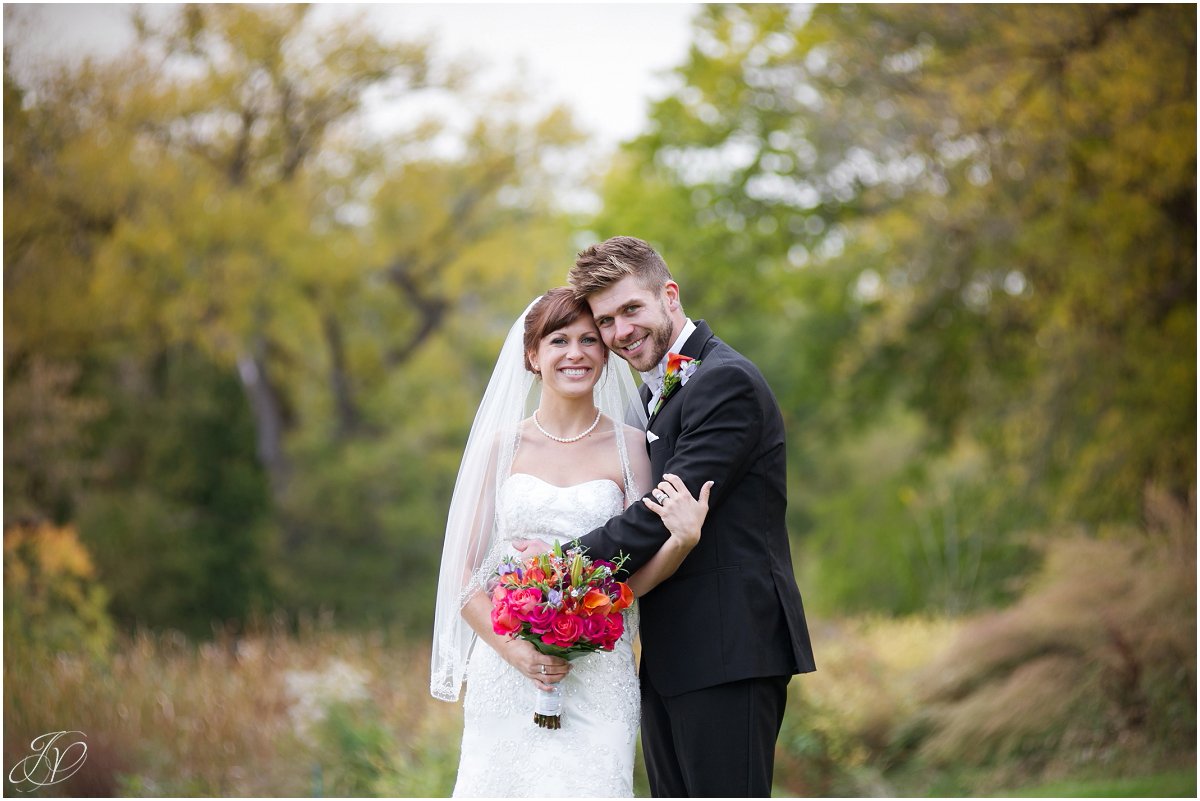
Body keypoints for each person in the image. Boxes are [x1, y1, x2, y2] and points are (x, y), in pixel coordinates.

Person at [516, 236, 817, 797]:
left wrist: (557, 568)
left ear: (669, 296)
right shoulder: (664, 389)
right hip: (674, 653)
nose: (620, 331)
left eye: (631, 309)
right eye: (606, 320)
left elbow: (659, 513)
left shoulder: (725, 381)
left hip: (729, 647)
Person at [430, 288, 714, 798]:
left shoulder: (633, 449)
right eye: (559, 340)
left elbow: (635, 578)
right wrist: (516, 652)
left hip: (600, 674)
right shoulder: (501, 447)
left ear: (606, 356)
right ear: (532, 355)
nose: (576, 353)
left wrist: (682, 542)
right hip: (506, 671)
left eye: (589, 340)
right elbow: (463, 576)